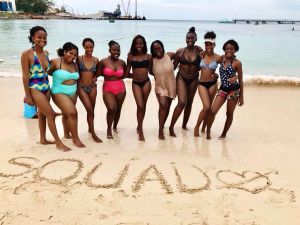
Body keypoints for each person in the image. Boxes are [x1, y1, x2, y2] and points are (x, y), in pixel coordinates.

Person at [21, 26, 70, 151]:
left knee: (42, 115)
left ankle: (43, 139)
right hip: (35, 88)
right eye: (39, 37)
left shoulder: (46, 53)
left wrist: (63, 58)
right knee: (51, 115)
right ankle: (58, 142)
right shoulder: (27, 54)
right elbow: (26, 76)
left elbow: (48, 71)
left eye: (44, 37)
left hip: (46, 86)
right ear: (32, 38)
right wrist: (28, 96)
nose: (42, 40)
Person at [48, 42, 85, 148]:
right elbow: (46, 73)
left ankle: (66, 134)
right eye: (70, 53)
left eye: (74, 55)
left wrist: (77, 90)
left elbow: (77, 79)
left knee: (66, 113)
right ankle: (76, 138)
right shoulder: (55, 62)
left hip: (73, 92)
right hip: (59, 91)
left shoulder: (75, 65)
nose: (72, 56)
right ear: (64, 52)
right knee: (73, 113)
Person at [206, 39, 244, 139]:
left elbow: (240, 80)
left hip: (234, 90)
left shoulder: (237, 63)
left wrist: (241, 97)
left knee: (229, 114)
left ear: (235, 50)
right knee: (212, 111)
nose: (229, 50)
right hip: (223, 89)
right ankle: (208, 131)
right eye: (227, 48)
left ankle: (223, 134)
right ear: (224, 50)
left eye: (231, 48)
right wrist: (215, 75)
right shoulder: (221, 58)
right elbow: (211, 65)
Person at [169, 27, 203, 137]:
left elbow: (206, 63)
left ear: (196, 39)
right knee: (182, 102)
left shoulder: (199, 51)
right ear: (185, 39)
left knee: (189, 103)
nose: (190, 40)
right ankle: (171, 127)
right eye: (188, 38)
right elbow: (173, 67)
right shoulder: (180, 51)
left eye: (192, 38)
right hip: (181, 78)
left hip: (194, 78)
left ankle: (184, 125)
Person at [96, 40, 126, 139]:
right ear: (109, 50)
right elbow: (96, 74)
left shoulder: (122, 62)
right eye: (114, 50)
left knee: (118, 108)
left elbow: (125, 75)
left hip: (121, 88)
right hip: (108, 88)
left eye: (118, 50)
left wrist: (140, 75)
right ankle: (109, 129)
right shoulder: (103, 61)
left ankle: (115, 126)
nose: (116, 52)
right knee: (112, 108)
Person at [194, 31, 222, 136]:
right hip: (202, 84)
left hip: (213, 84)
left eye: (210, 44)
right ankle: (197, 127)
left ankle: (205, 128)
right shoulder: (201, 54)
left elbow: (226, 68)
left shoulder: (219, 58)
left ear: (214, 44)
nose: (208, 46)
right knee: (206, 107)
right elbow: (193, 45)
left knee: (209, 109)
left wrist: (217, 75)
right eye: (206, 44)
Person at [125, 35, 152, 141]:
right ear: (134, 45)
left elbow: (151, 71)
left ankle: (139, 125)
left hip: (146, 83)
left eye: (140, 43)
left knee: (143, 106)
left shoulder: (149, 57)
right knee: (140, 105)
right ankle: (140, 130)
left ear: (144, 44)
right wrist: (135, 75)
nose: (138, 45)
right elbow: (127, 73)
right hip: (136, 83)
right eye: (136, 43)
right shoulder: (131, 57)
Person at [77, 38, 102, 143]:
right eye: (87, 47)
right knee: (89, 109)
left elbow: (98, 73)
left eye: (91, 47)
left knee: (92, 110)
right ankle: (93, 133)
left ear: (93, 47)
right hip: (82, 88)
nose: (89, 49)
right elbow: (74, 71)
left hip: (92, 88)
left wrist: (96, 77)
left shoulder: (96, 60)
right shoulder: (79, 59)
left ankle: (90, 129)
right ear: (83, 47)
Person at [150, 40, 176, 140]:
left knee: (168, 106)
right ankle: (160, 130)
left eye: (159, 47)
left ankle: (163, 124)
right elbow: (149, 71)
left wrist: (198, 49)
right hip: (160, 86)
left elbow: (180, 55)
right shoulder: (152, 59)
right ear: (152, 51)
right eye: (155, 49)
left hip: (171, 85)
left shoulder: (169, 55)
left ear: (162, 46)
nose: (157, 50)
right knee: (163, 105)